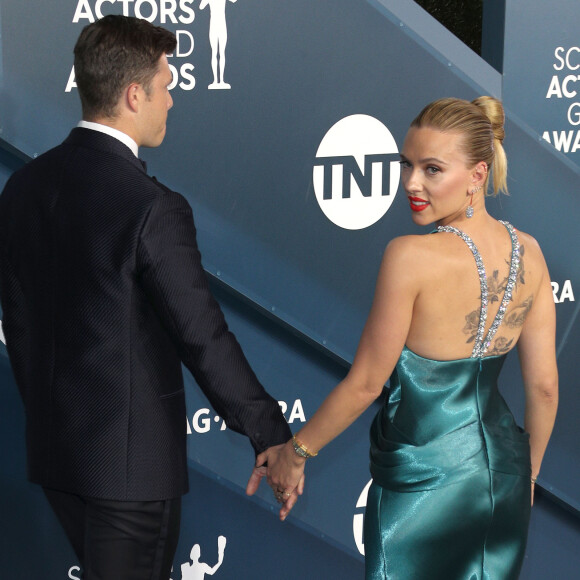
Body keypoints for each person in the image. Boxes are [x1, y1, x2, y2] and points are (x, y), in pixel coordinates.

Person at [0, 15, 293, 580]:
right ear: (135, 95)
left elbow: (19, 319)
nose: (172, 101)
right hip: (130, 472)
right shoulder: (150, 206)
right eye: (167, 86)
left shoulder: (23, 188)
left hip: (60, 457)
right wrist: (271, 435)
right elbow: (201, 335)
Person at [252, 96, 559, 578]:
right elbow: (543, 387)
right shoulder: (533, 254)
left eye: (432, 169)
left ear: (478, 175)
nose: (412, 184)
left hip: (425, 481)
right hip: (506, 475)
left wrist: (296, 453)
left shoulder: (409, 257)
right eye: (406, 165)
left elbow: (366, 384)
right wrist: (529, 476)